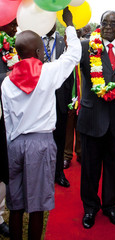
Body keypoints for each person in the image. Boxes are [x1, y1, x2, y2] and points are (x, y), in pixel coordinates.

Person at [1, 8, 81, 240]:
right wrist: (70, 25)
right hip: (40, 143)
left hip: (15, 143)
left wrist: (10, 146)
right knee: (36, 206)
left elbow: (7, 118)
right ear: (38, 51)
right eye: (43, 49)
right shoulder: (48, 72)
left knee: (15, 204)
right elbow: (73, 54)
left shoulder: (7, 82)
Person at [77, 10, 115, 229]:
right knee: (90, 168)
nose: (108, 27)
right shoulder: (86, 47)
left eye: (113, 23)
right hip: (92, 117)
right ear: (100, 25)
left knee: (114, 167)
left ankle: (111, 206)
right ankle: (90, 207)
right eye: (105, 23)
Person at [42, 24, 74, 187]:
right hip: (40, 99)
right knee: (41, 139)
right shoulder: (34, 41)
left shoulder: (64, 42)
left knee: (59, 138)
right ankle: (42, 175)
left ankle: (58, 173)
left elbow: (70, 74)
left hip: (60, 98)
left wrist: (69, 100)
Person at [0, 19, 19, 238]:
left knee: (3, 169)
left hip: (6, 118)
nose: (15, 28)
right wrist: (7, 78)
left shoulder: (11, 47)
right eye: (12, 24)